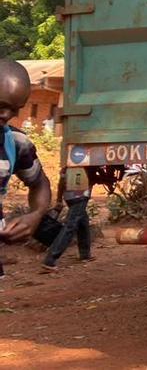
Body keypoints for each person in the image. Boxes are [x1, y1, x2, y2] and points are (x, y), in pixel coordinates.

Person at [0, 60, 53, 278]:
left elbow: (40, 183)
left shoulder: (16, 143)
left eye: (14, 109)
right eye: (0, 105)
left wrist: (36, 214)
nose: (6, 115)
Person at [41, 168, 93, 272]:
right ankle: (50, 259)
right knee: (70, 225)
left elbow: (61, 182)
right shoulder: (87, 163)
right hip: (81, 196)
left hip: (69, 197)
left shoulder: (69, 163)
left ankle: (85, 253)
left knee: (83, 221)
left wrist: (59, 199)